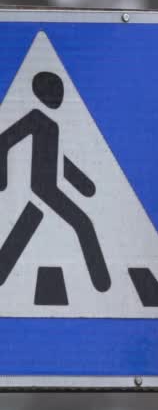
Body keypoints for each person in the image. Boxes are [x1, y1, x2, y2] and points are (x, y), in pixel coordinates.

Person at [0, 70, 110, 291]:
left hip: (46, 187)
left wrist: (83, 184)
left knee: (24, 227)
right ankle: (103, 283)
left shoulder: (51, 123)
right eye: (55, 91)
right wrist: (2, 178)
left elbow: (57, 159)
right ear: (43, 94)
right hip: (42, 187)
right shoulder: (35, 118)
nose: (59, 96)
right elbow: (4, 142)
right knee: (83, 224)